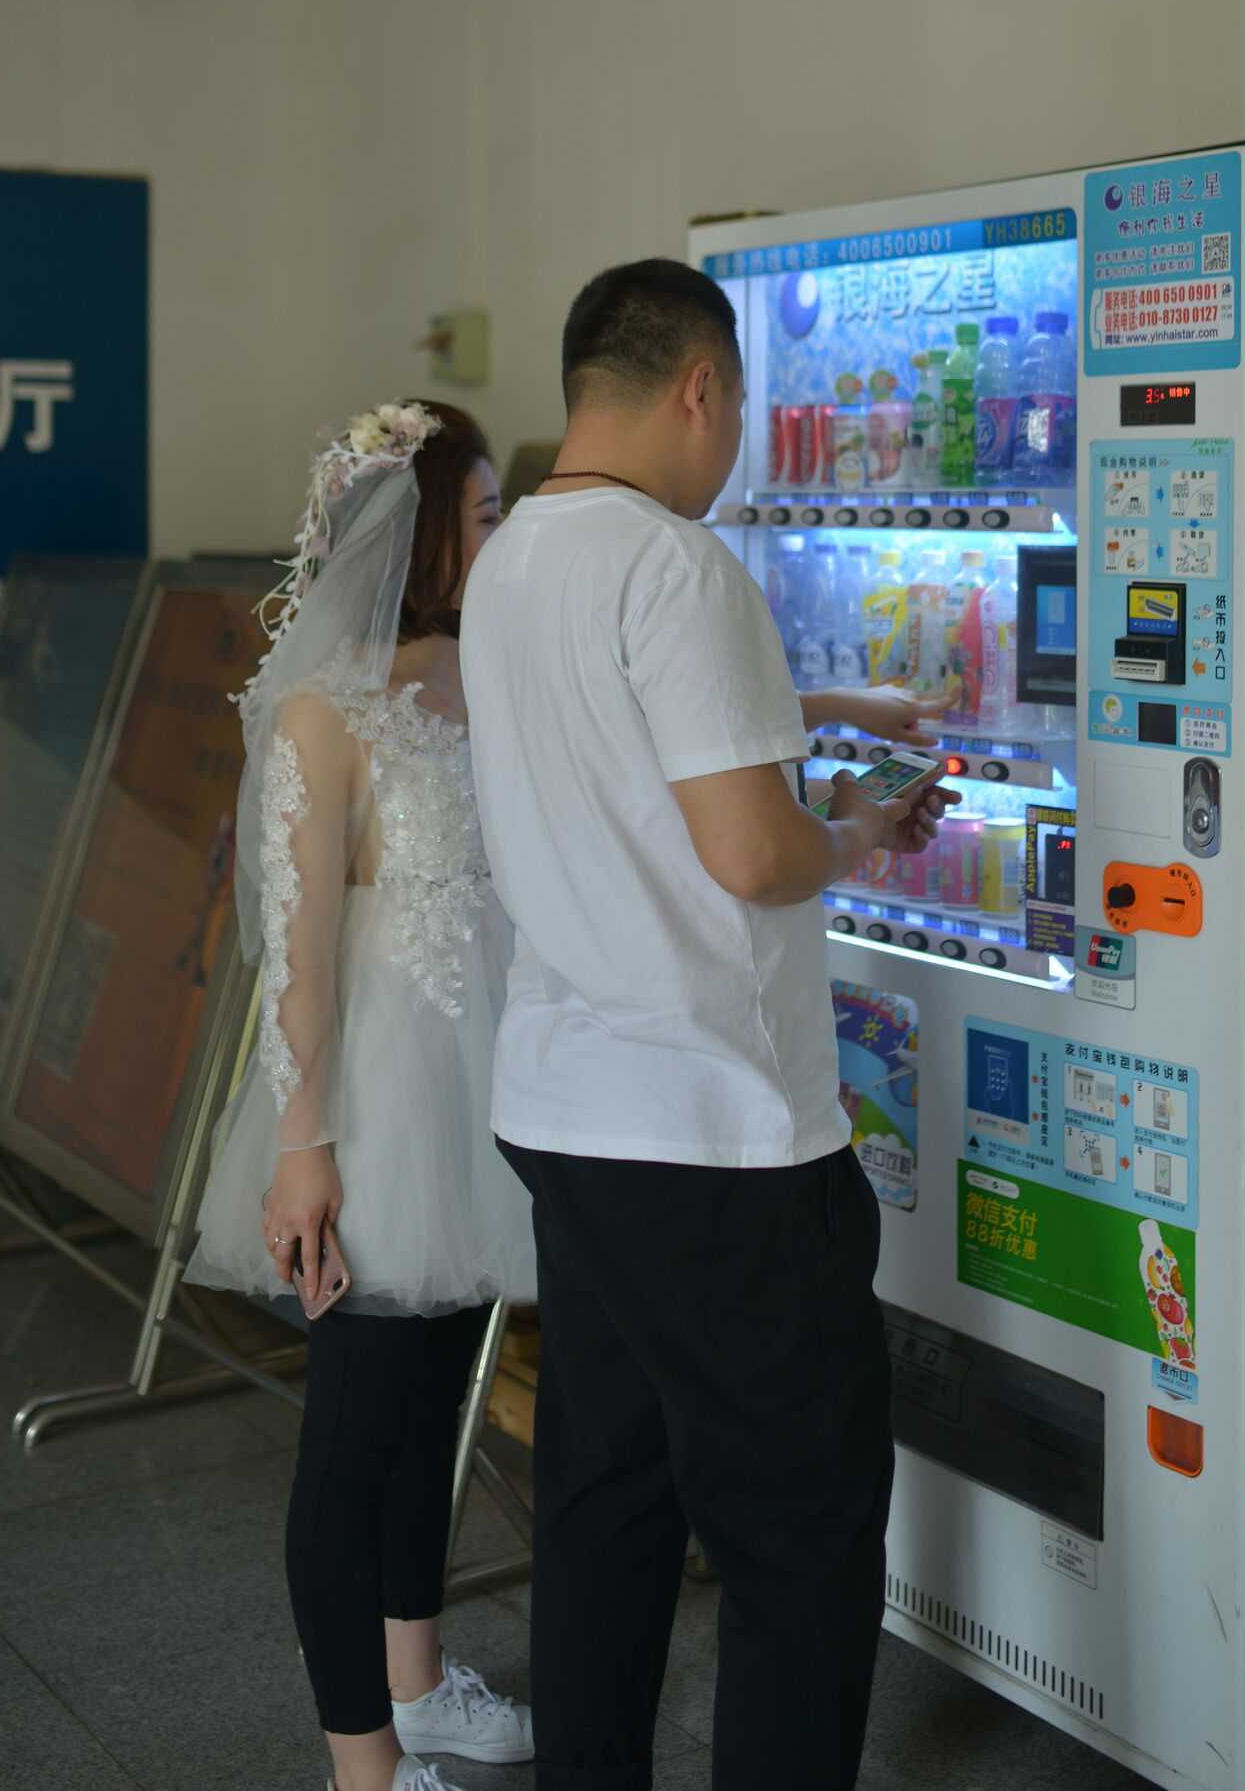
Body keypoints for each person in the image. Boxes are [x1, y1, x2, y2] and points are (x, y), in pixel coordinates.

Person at [460, 260, 952, 1791]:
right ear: (701, 388)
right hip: (716, 1136)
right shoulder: (677, 569)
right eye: (736, 405)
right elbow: (751, 853)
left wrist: (826, 722)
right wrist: (855, 832)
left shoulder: (513, 557)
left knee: (605, 1504)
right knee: (800, 1539)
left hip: (570, 1113)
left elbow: (631, 750)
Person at [187, 400, 537, 1791]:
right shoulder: (322, 709)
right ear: (423, 529)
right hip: (380, 1097)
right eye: (486, 512)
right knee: (351, 1441)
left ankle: (416, 1682)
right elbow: (301, 954)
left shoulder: (480, 669)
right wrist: (304, 1147)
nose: (502, 534)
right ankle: (366, 1771)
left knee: (432, 1410)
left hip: (488, 1075)